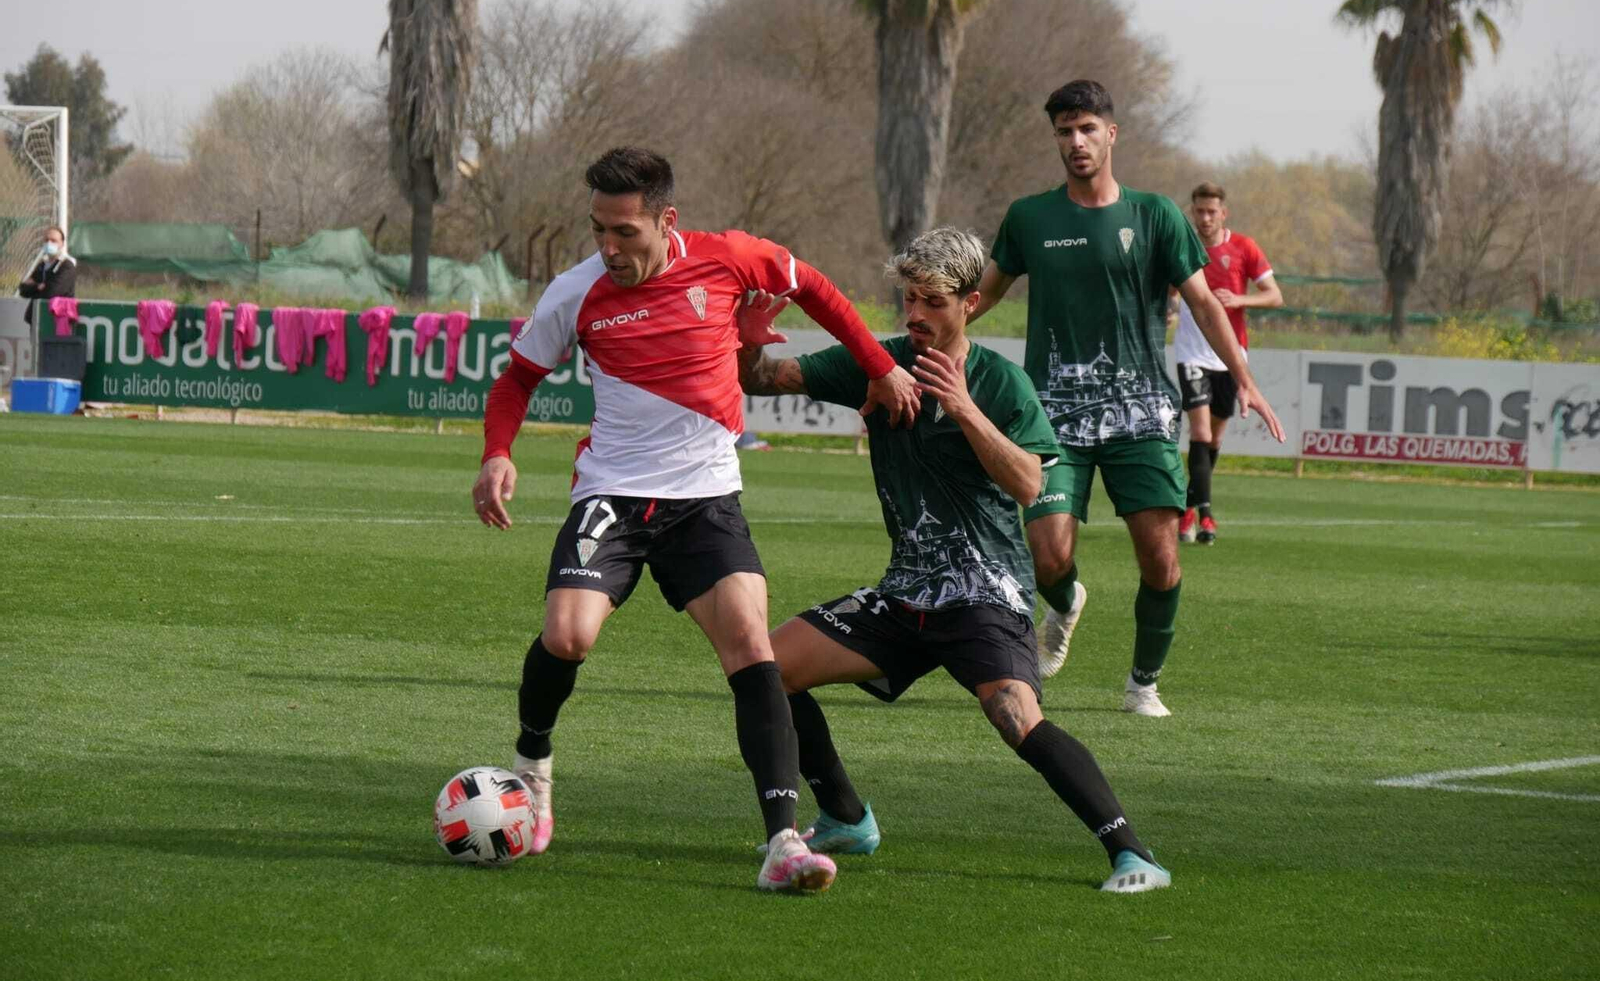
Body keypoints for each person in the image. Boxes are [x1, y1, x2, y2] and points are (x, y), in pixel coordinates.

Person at [472, 146, 920, 894]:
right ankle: (532, 768)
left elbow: (816, 289)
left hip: (705, 498)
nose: (610, 248)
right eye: (598, 231)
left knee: (752, 644)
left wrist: (879, 364)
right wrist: (496, 453)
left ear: (666, 220)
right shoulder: (574, 292)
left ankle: (782, 840)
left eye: (626, 232)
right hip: (613, 495)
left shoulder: (729, 258)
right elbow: (518, 378)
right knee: (567, 635)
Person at [737, 227, 1170, 893]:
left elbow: (1029, 482)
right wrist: (746, 332)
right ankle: (846, 816)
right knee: (768, 668)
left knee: (1016, 717)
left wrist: (963, 405)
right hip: (904, 594)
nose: (914, 315)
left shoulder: (1001, 382)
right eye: (908, 299)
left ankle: (1132, 853)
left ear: (970, 303)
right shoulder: (873, 362)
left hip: (985, 595)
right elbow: (761, 379)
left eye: (932, 301)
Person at [972, 80, 1284, 717]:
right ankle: (1064, 603)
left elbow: (1201, 300)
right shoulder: (1030, 217)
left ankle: (1143, 683)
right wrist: (918, 340)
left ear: (1111, 134)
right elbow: (984, 295)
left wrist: (1243, 377)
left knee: (1162, 559)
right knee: (1049, 554)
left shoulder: (1156, 215)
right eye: (1064, 131)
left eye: (1087, 128)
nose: (1076, 142)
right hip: (1052, 415)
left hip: (1140, 413)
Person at [1173, 182, 1282, 545]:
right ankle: (1205, 517)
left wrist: (1237, 299)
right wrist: (1169, 310)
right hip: (1191, 353)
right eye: (1199, 211)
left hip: (1231, 356)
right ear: (1193, 212)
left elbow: (1275, 296)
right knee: (1200, 433)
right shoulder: (1182, 245)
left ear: (1223, 213)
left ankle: (1188, 507)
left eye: (1211, 211)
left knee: (1214, 439)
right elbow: (1170, 293)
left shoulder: (1243, 248)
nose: (1204, 218)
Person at [17, 225, 77, 326]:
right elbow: (23, 289)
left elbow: (52, 293)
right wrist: (38, 287)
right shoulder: (42, 265)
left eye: (54, 241)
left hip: (57, 320)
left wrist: (35, 289)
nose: (49, 243)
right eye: (46, 240)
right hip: (36, 319)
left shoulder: (66, 266)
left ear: (62, 243)